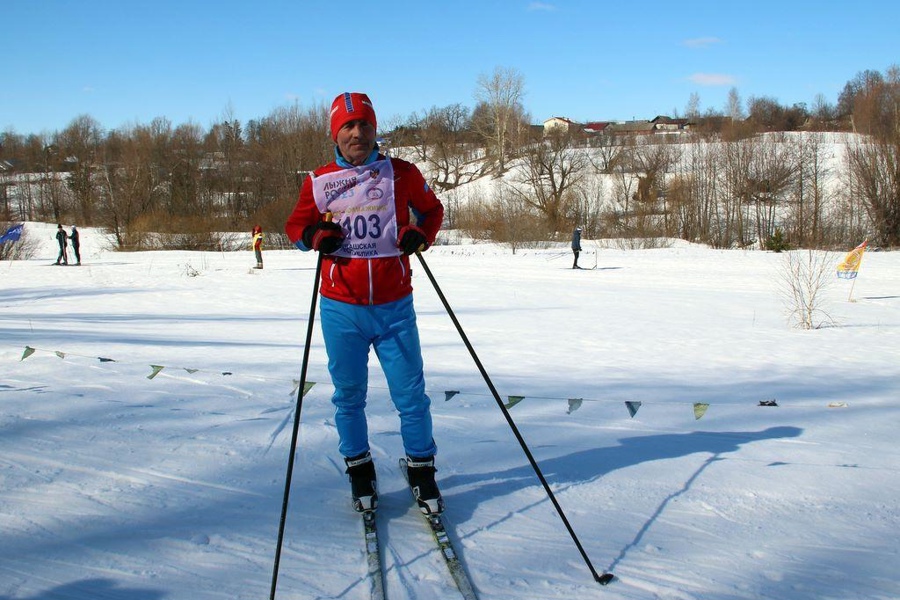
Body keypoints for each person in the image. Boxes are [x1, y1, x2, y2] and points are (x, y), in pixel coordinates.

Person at [285, 92, 445, 515]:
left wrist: (420, 236)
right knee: (349, 394)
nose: (358, 133)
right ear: (335, 132)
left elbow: (432, 211)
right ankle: (359, 468)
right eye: (348, 126)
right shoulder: (318, 180)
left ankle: (422, 469)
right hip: (342, 306)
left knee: (411, 394)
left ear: (375, 129)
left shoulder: (402, 173)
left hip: (394, 305)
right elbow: (295, 226)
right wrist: (316, 237)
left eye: (365, 125)